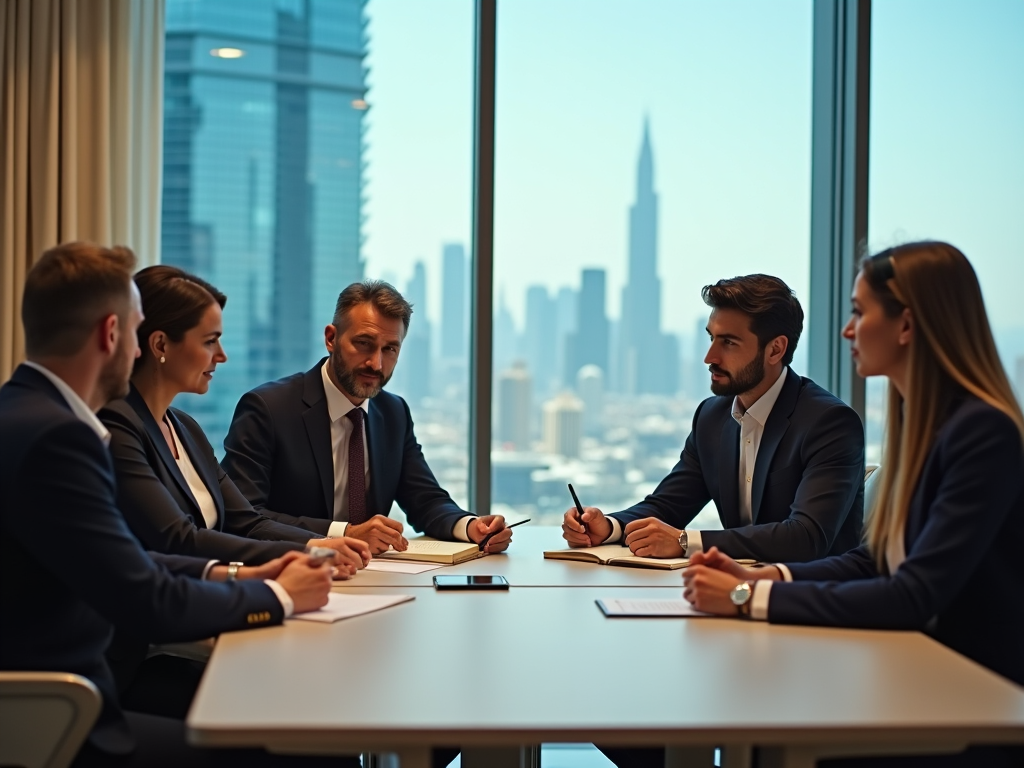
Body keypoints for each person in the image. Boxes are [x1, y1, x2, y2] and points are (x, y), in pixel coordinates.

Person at [0, 242, 341, 767]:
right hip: (61, 718)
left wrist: (240, 578)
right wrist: (280, 597)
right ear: (112, 335)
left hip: (58, 701)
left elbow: (128, 560)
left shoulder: (26, 414)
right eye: (134, 333)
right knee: (298, 748)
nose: (136, 350)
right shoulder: (58, 438)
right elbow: (145, 599)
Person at [683, 242, 1024, 768]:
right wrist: (767, 576)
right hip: (914, 672)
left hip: (970, 700)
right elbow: (877, 559)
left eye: (860, 313)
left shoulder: (982, 432)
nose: (847, 330)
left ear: (906, 325)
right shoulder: (924, 423)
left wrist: (745, 596)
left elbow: (912, 594)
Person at [562, 274, 864, 564]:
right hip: (733, 589)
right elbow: (668, 505)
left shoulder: (829, 423)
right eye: (711, 338)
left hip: (812, 600)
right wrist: (610, 527)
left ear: (775, 349)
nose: (710, 356)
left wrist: (685, 543)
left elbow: (806, 537)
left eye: (729, 343)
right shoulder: (712, 416)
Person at [100, 265, 370, 573]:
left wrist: (317, 546)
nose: (221, 355)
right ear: (160, 345)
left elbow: (246, 522)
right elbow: (178, 539)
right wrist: (302, 556)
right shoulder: (117, 425)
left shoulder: (185, 427)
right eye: (209, 341)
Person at [222, 280, 513, 555]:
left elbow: (426, 501)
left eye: (390, 349)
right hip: (290, 572)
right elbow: (243, 516)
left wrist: (471, 526)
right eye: (363, 343)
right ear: (331, 338)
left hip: (372, 578)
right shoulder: (268, 408)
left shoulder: (394, 412)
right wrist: (344, 533)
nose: (376, 363)